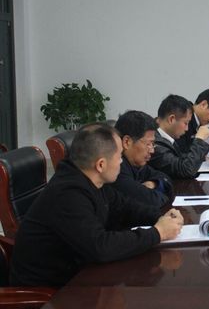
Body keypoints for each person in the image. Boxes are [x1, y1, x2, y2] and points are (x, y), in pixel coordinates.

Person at [10, 123, 183, 287]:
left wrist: (161, 217)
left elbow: (125, 207)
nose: (121, 162)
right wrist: (157, 233)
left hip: (80, 275)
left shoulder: (91, 180)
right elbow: (100, 247)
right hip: (52, 291)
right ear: (101, 164)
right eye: (119, 157)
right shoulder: (68, 194)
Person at [113, 110, 174, 208]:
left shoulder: (136, 164)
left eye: (153, 144)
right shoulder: (117, 169)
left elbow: (166, 179)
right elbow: (152, 202)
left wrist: (154, 183)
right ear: (127, 142)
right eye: (148, 144)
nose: (152, 150)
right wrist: (166, 196)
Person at [148, 94, 209, 179]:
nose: (187, 128)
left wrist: (201, 156)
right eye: (185, 123)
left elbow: (180, 158)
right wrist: (199, 140)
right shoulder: (154, 144)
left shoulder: (166, 138)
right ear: (171, 119)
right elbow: (186, 170)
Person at [175, 88, 209, 156]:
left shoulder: (199, 121)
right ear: (203, 104)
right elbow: (181, 151)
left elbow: (207, 140)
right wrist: (205, 147)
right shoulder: (183, 116)